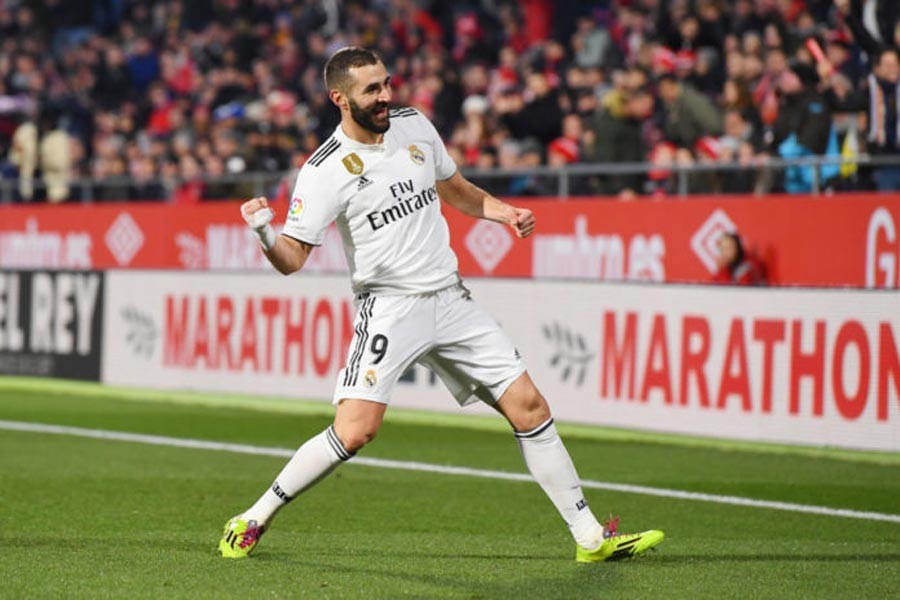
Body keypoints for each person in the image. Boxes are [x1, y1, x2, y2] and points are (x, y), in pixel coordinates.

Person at [219, 47, 664, 563]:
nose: (386, 96)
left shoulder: (413, 125)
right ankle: (252, 519)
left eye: (387, 83)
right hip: (389, 307)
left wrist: (502, 212)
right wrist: (264, 234)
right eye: (372, 90)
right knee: (356, 430)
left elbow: (453, 188)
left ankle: (592, 539)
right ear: (339, 99)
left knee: (530, 407)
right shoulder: (325, 170)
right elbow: (292, 258)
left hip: (451, 299)